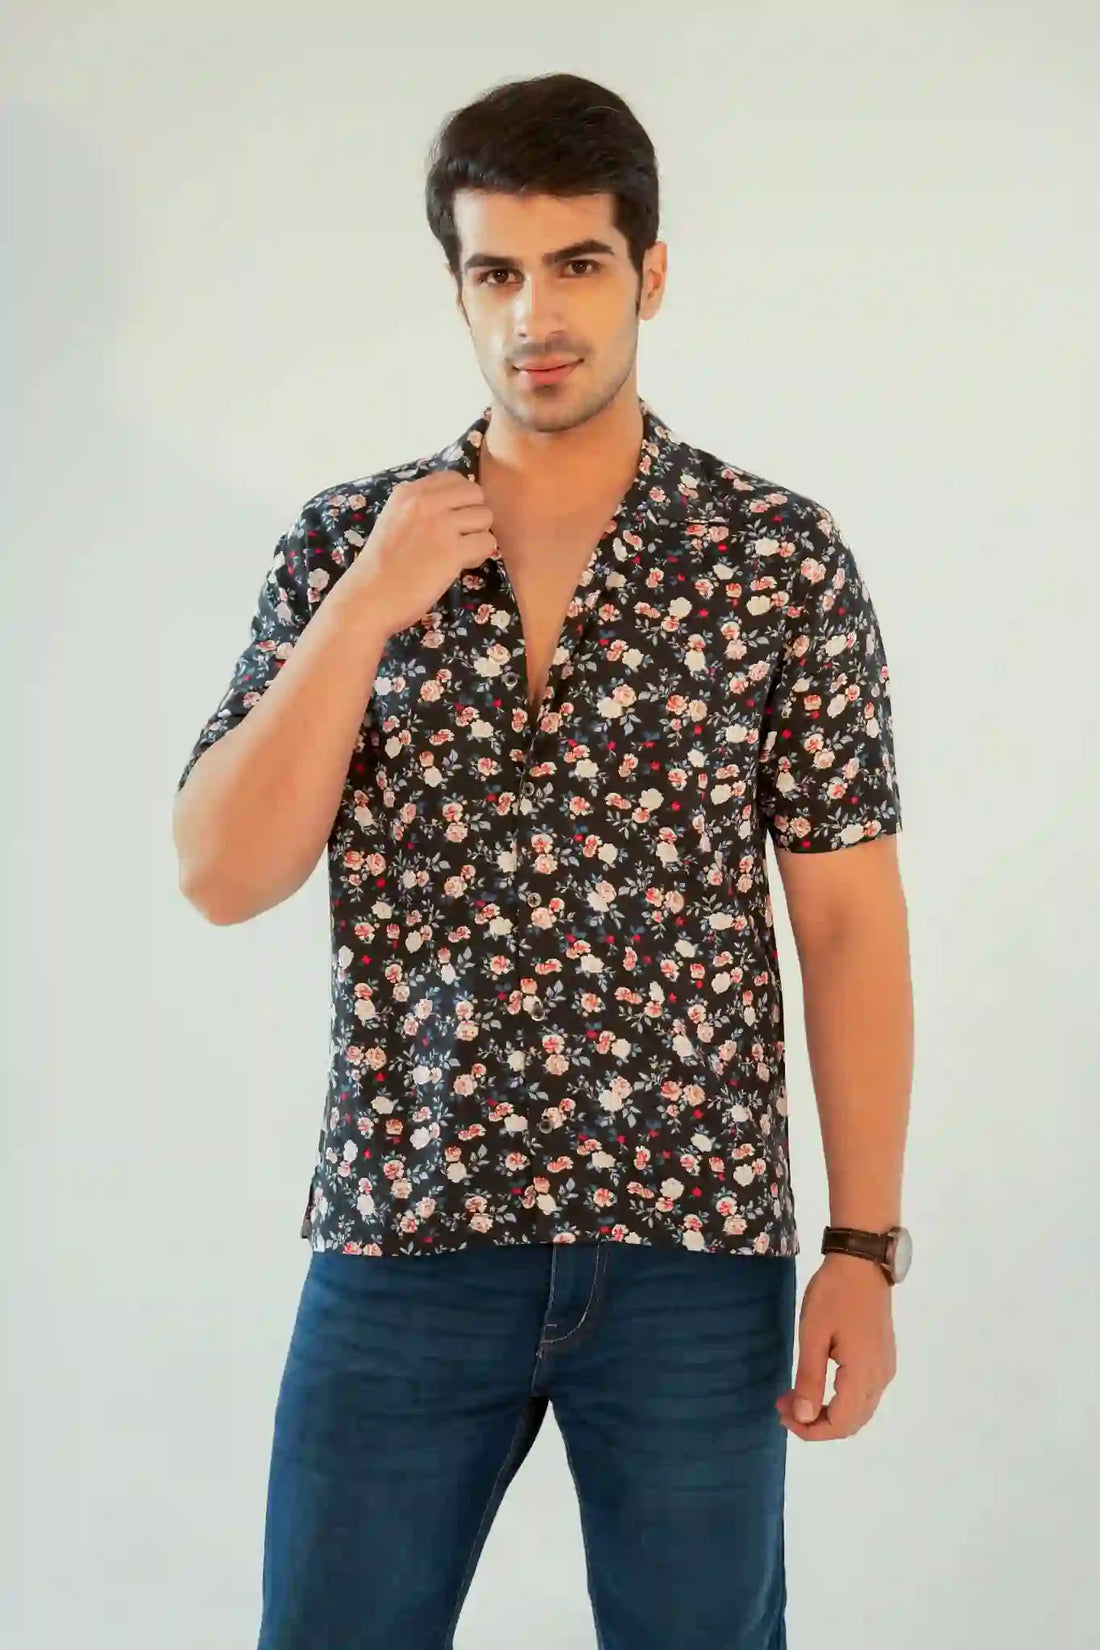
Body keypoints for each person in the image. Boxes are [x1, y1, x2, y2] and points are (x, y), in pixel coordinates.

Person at [173, 70, 914, 1650]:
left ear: (650, 272)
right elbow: (222, 870)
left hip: (693, 1253)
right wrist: (364, 611)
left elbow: (846, 919)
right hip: (406, 1234)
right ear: (456, 288)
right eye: (495, 273)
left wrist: (861, 1246)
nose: (536, 314)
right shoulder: (344, 543)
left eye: (576, 263)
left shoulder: (775, 560)